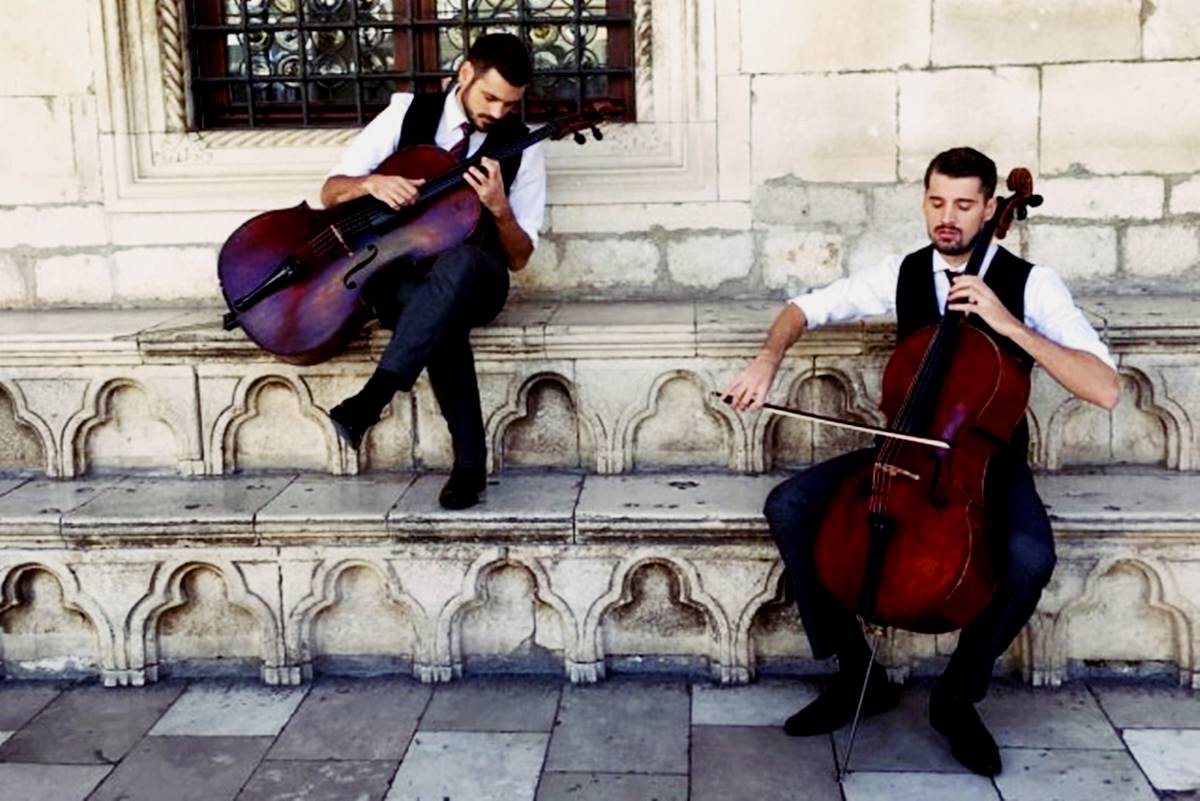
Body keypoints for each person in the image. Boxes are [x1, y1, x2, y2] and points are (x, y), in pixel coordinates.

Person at [724, 147, 1120, 776]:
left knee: (1029, 558)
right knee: (791, 506)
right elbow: (805, 308)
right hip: (906, 451)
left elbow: (1105, 388)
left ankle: (957, 696)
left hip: (985, 462)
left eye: (963, 204)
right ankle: (858, 674)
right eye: (936, 202)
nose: (947, 217)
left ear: (990, 209)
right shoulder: (905, 272)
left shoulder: (1032, 284)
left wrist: (1009, 326)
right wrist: (766, 360)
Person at [319, 33, 546, 510]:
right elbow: (331, 192)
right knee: (439, 313)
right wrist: (372, 183)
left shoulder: (522, 143)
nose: (498, 112)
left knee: (457, 266)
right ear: (465, 73)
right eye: (491, 98)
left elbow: (520, 257)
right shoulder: (406, 114)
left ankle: (373, 397)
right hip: (400, 275)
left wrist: (499, 209)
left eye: (510, 104)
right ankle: (470, 466)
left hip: (478, 276)